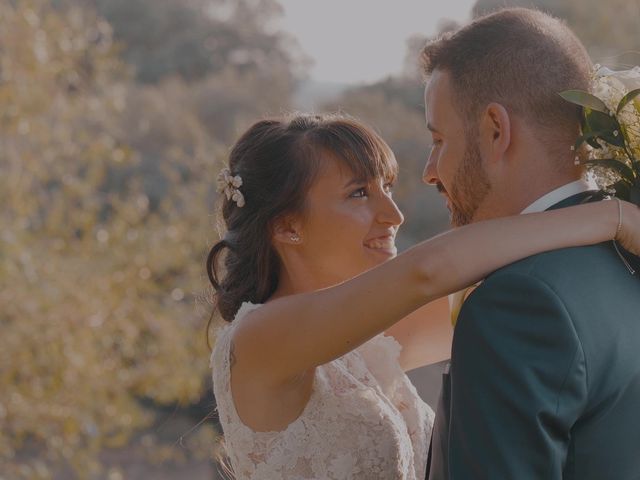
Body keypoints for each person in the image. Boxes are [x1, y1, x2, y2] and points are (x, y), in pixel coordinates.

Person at [207, 113, 640, 480]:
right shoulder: (259, 338)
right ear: (286, 227)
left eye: (387, 189)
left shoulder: (368, 344)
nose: (393, 215)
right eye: (359, 193)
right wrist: (612, 217)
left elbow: (517, 284)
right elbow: (429, 271)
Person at [421, 8, 640, 480]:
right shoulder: (628, 257)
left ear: (496, 131)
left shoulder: (519, 302)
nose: (429, 170)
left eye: (439, 140)